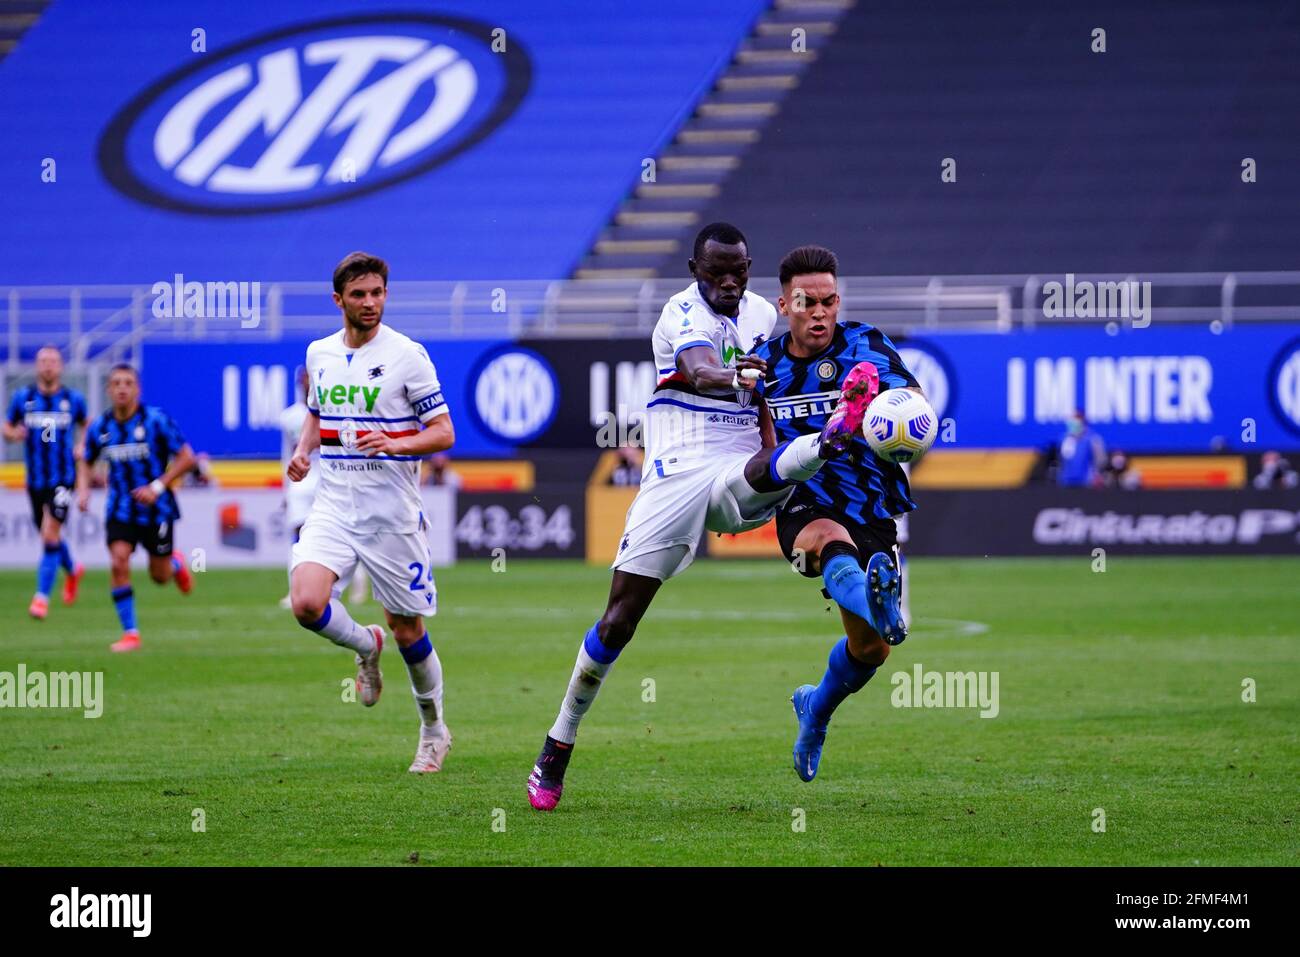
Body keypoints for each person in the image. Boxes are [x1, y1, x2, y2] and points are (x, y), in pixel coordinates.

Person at [526, 223, 879, 811]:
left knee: (780, 465)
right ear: (695, 269)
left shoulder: (765, 315)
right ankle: (559, 742)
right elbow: (698, 370)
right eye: (717, 271)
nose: (729, 281)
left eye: (738, 270)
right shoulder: (680, 312)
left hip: (742, 471)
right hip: (677, 473)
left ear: (749, 268)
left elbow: (780, 386)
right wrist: (736, 376)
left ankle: (830, 437)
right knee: (617, 622)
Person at [286, 251, 456, 774]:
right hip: (334, 506)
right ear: (338, 300)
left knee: (408, 630)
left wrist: (396, 443)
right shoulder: (319, 353)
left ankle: (433, 730)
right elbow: (318, 414)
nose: (370, 303)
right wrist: (303, 449)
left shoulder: (408, 355)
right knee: (306, 604)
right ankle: (366, 644)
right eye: (359, 295)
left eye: (377, 293)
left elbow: (443, 433)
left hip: (391, 515)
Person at [753, 245, 917, 781]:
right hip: (803, 502)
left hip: (870, 506)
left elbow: (911, 406)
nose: (818, 313)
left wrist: (889, 416)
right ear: (784, 305)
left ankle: (815, 708)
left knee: (870, 650)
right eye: (806, 302)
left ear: (837, 301)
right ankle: (876, 595)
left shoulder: (866, 344)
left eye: (827, 302)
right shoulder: (765, 369)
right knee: (824, 537)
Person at [76, 364, 196, 652]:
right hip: (120, 508)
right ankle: (130, 633)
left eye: (127, 383)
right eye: (116, 383)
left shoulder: (155, 420)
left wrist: (157, 486)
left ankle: (176, 564)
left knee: (160, 576)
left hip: (158, 510)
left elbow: (186, 457)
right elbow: (85, 458)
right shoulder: (100, 427)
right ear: (108, 389)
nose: (121, 388)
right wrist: (82, 489)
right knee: (118, 561)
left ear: (137, 389)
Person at [3, 345, 88, 619]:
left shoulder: (73, 399)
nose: (48, 366)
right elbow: (6, 426)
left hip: (63, 478)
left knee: (50, 534)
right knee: (48, 533)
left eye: (53, 361)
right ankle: (73, 569)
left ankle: (41, 598)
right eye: (43, 361)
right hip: (35, 480)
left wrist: (83, 445)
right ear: (37, 367)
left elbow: (88, 424)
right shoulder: (23, 397)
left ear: (61, 367)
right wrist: (13, 433)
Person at [278, 367, 319, 609]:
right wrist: (286, 487)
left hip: (329, 483)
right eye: (304, 380)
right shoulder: (289, 417)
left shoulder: (331, 412)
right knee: (297, 537)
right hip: (300, 485)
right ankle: (295, 589)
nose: (307, 384)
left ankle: (354, 584)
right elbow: (287, 454)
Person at [1057, 411, 1105, 487]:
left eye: (1076, 421)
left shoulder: (1093, 438)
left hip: (1087, 481)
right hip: (1066, 481)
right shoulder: (1064, 438)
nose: (1072, 424)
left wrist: (1096, 474)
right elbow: (1060, 458)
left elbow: (1100, 459)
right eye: (1071, 421)